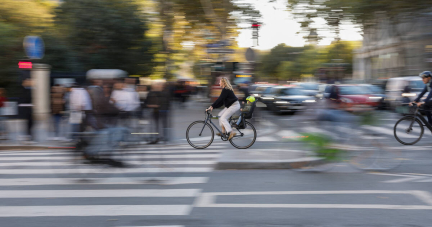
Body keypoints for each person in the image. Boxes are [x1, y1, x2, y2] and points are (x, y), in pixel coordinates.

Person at [18, 78, 34, 143]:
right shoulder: (23, 89)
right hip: (25, 109)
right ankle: (27, 136)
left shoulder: (29, 89)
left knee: (30, 123)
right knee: (28, 123)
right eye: (27, 82)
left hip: (29, 109)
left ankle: (28, 135)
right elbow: (23, 99)